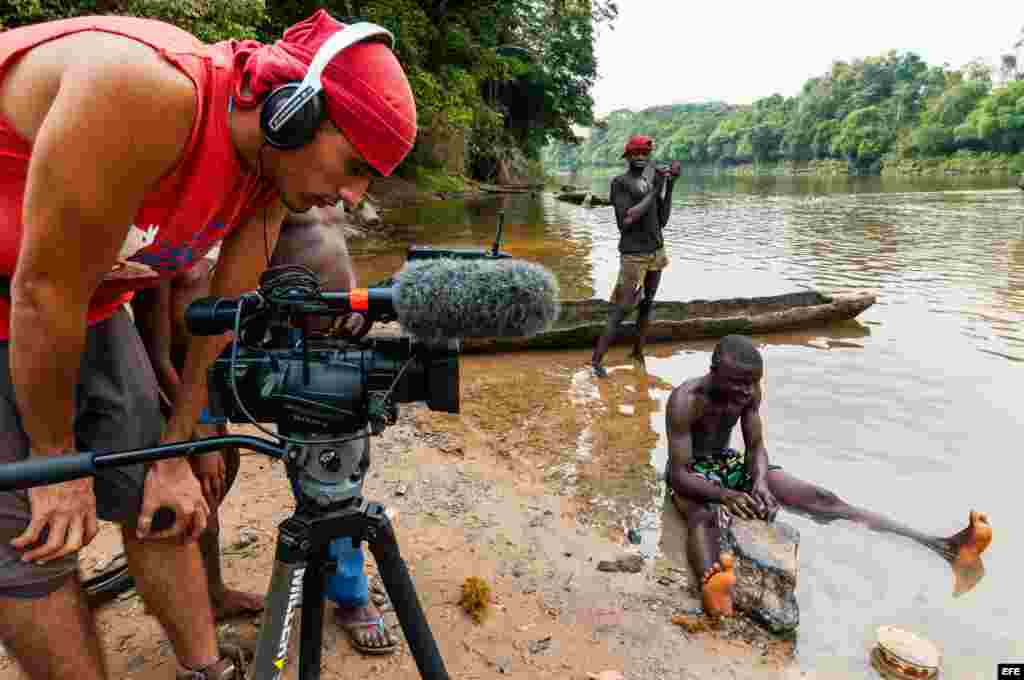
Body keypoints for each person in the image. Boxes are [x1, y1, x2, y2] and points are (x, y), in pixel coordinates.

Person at [0, 8, 416, 680]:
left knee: (158, 488)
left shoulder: (272, 174)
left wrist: (178, 444)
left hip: (82, 295)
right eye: (354, 165)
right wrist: (56, 461)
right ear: (293, 113)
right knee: (31, 533)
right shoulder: (142, 91)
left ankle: (204, 667)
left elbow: (222, 314)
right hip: (36, 292)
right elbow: (43, 292)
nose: (352, 194)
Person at [132, 205, 396, 653]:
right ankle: (338, 593)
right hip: (209, 382)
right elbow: (168, 352)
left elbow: (313, 259)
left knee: (335, 472)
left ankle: (333, 580)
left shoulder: (307, 188)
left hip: (300, 346)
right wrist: (200, 428)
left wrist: (353, 304)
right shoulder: (185, 234)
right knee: (320, 477)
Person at [665, 335, 994, 620]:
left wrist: (760, 482)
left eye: (753, 383)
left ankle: (944, 546)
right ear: (714, 371)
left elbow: (755, 447)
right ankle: (712, 589)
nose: (747, 391)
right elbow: (679, 474)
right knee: (703, 516)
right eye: (738, 383)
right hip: (693, 473)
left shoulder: (747, 392)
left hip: (728, 462)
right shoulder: (686, 400)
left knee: (823, 500)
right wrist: (725, 496)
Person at [591, 134, 681, 378]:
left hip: (656, 252)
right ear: (628, 157)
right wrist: (655, 190)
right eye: (636, 153)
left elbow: (662, 220)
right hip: (633, 256)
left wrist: (670, 186)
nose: (641, 157)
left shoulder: (648, 182)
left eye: (645, 153)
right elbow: (625, 221)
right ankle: (596, 361)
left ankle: (638, 353)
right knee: (621, 309)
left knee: (647, 303)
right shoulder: (620, 183)